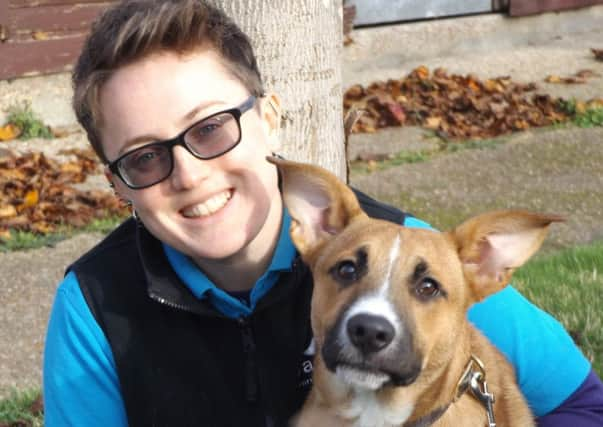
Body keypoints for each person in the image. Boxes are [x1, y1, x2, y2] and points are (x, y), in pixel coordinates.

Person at [43, 0, 603, 425]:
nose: (190, 175)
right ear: (117, 184)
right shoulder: (97, 304)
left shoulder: (412, 253)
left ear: (270, 118)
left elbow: (581, 404)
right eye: (145, 157)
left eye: (211, 127)